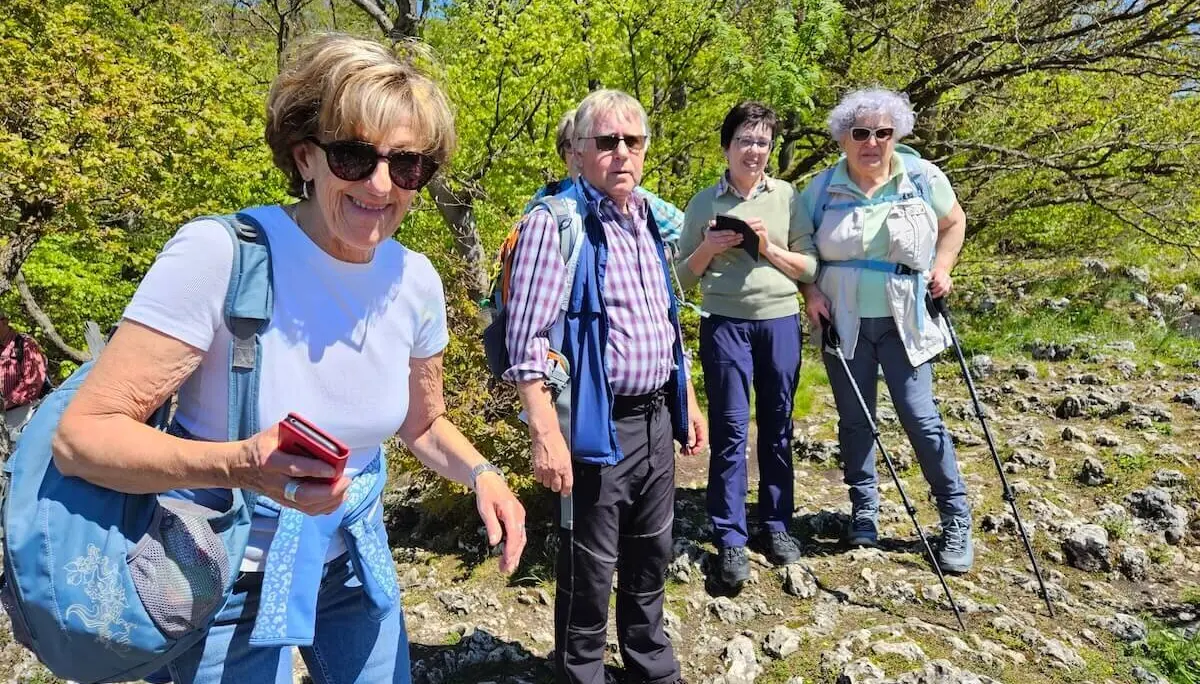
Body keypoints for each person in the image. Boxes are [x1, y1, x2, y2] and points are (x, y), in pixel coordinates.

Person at [52, 33, 527, 683]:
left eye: (408, 165)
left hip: (352, 566)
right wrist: (241, 465)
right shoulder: (222, 256)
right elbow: (81, 439)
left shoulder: (414, 282)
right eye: (355, 157)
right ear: (306, 156)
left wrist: (483, 475)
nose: (382, 185)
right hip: (218, 580)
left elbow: (422, 424)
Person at [504, 89, 707, 684]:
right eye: (607, 142)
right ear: (578, 154)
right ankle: (582, 673)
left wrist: (686, 400)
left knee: (652, 552)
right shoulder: (554, 223)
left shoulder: (647, 217)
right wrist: (545, 433)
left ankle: (651, 666)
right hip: (595, 423)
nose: (622, 153)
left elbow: (666, 320)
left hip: (656, 419)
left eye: (632, 141)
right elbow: (527, 340)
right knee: (589, 566)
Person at [798, 87, 973, 572]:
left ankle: (955, 516)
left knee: (921, 418)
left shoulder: (920, 177)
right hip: (844, 323)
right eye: (860, 133)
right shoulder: (820, 189)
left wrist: (943, 266)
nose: (871, 142)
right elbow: (800, 248)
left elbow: (954, 222)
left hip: (907, 319)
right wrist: (810, 293)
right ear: (843, 138)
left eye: (882, 132)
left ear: (897, 134)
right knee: (855, 421)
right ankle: (864, 512)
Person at [674, 102, 818, 586]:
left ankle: (777, 526)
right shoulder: (702, 203)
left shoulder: (788, 198)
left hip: (779, 321)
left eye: (762, 142)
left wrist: (766, 247)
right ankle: (730, 537)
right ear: (726, 147)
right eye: (745, 141)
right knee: (732, 430)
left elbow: (810, 267)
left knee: (778, 425)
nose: (753, 150)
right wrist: (706, 250)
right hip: (724, 324)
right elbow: (679, 281)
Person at [526, 108, 686, 249]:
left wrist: (659, 252)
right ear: (563, 152)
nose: (579, 151)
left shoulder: (632, 199)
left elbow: (685, 230)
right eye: (571, 145)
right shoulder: (547, 197)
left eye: (599, 143)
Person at [0, 312, 50, 441]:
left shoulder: (25, 345)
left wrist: (5, 403)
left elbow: (32, 384)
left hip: (22, 414)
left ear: (4, 322)